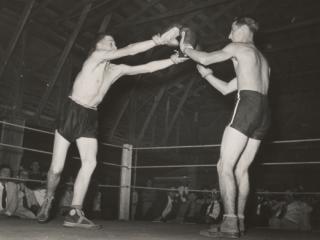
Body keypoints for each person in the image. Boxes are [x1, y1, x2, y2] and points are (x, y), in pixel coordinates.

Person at [37, 26, 187, 229]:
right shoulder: (95, 57)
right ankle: (49, 197)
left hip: (90, 116)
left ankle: (74, 212)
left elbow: (146, 68)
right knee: (56, 169)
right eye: (110, 42)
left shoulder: (116, 70)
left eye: (114, 43)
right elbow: (130, 49)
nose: (114, 46)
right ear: (98, 45)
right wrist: (156, 41)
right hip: (72, 111)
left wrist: (171, 60)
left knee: (90, 163)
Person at [181, 17, 270, 238]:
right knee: (241, 169)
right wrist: (208, 75)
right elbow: (227, 88)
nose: (229, 36)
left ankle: (229, 224)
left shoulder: (237, 47)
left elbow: (205, 58)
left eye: (231, 31)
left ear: (241, 28)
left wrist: (187, 48)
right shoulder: (262, 61)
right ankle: (237, 222)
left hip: (248, 105)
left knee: (224, 166)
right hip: (264, 112)